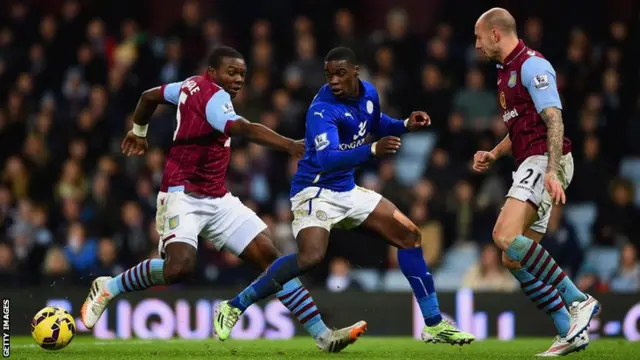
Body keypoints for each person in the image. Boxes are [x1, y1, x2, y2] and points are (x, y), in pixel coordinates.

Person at [80, 46, 365, 352]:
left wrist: (139, 130)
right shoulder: (214, 97)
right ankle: (109, 287)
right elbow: (243, 128)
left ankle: (323, 335)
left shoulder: (189, 85)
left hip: (217, 197)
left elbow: (149, 96)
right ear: (213, 73)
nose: (239, 79)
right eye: (232, 72)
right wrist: (288, 145)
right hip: (182, 194)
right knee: (179, 268)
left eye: (242, 73)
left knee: (271, 258)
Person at [213, 47, 475, 346]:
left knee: (410, 235)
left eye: (340, 74)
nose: (334, 81)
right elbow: (327, 160)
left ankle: (434, 324)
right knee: (311, 257)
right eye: (329, 75)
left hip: (347, 191)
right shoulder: (321, 110)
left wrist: (404, 125)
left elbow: (374, 122)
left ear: (355, 72)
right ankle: (234, 306)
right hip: (314, 192)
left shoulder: (369, 93)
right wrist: (373, 150)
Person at [472, 8, 599, 356]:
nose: (476, 45)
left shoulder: (532, 65)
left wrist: (551, 170)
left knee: (502, 235)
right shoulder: (504, 72)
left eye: (479, 36)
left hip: (545, 159)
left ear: (496, 34)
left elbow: (554, 120)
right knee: (513, 258)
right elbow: (519, 128)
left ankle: (579, 300)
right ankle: (568, 332)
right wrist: (494, 154)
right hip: (532, 159)